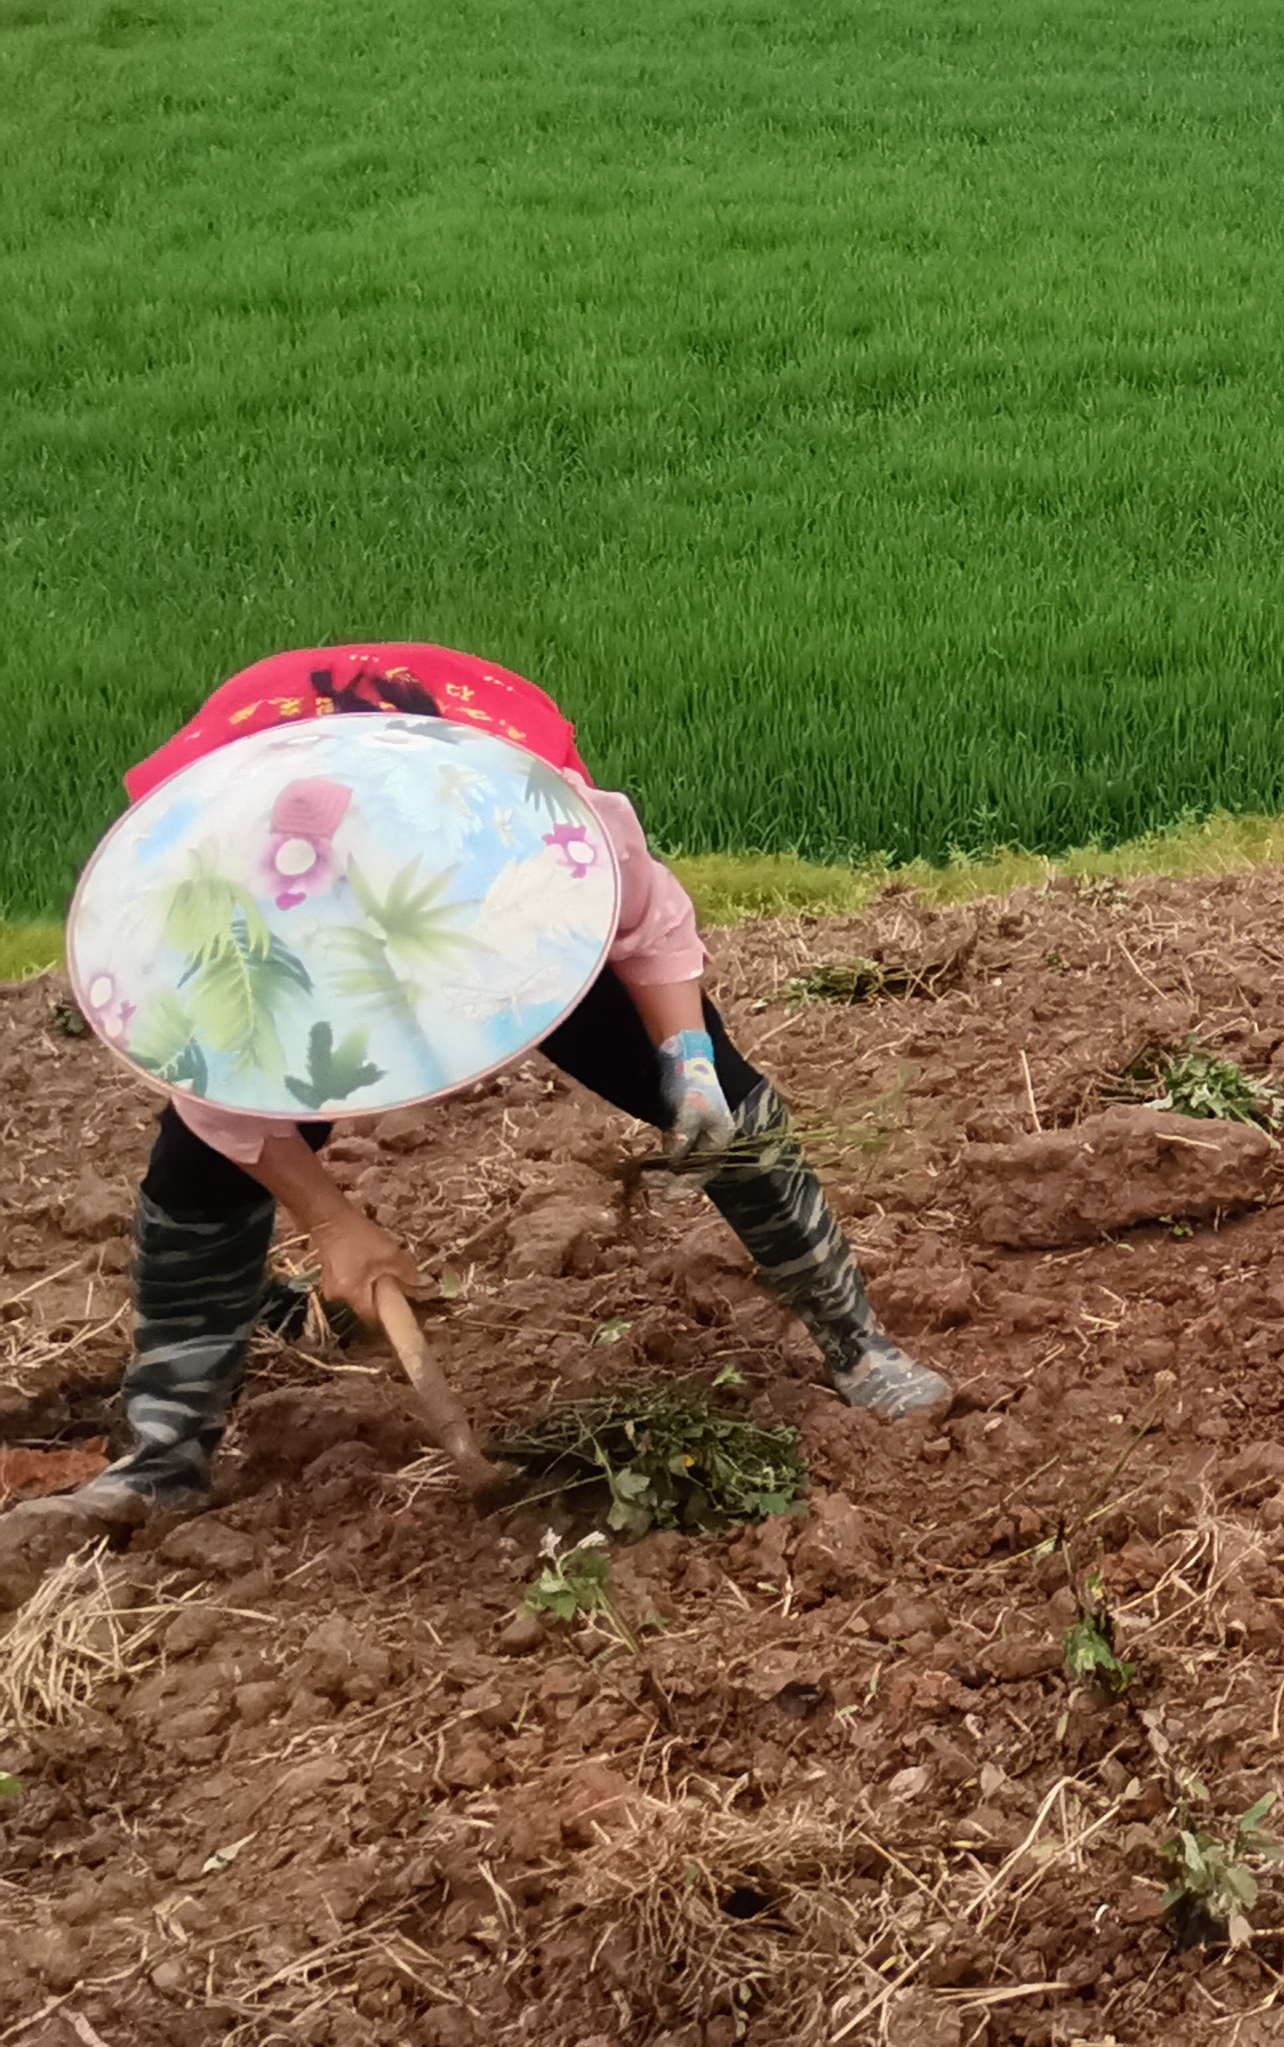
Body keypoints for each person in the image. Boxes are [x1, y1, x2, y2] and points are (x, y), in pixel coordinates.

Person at [0, 645, 946, 1574]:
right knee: (197, 1177)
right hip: (274, 913)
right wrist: (330, 1222)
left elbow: (649, 929)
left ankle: (855, 1341)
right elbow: (218, 1095)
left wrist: (691, 1064)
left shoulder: (541, 835)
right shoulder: (224, 919)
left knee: (727, 1110)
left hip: (501, 899)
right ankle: (164, 1457)